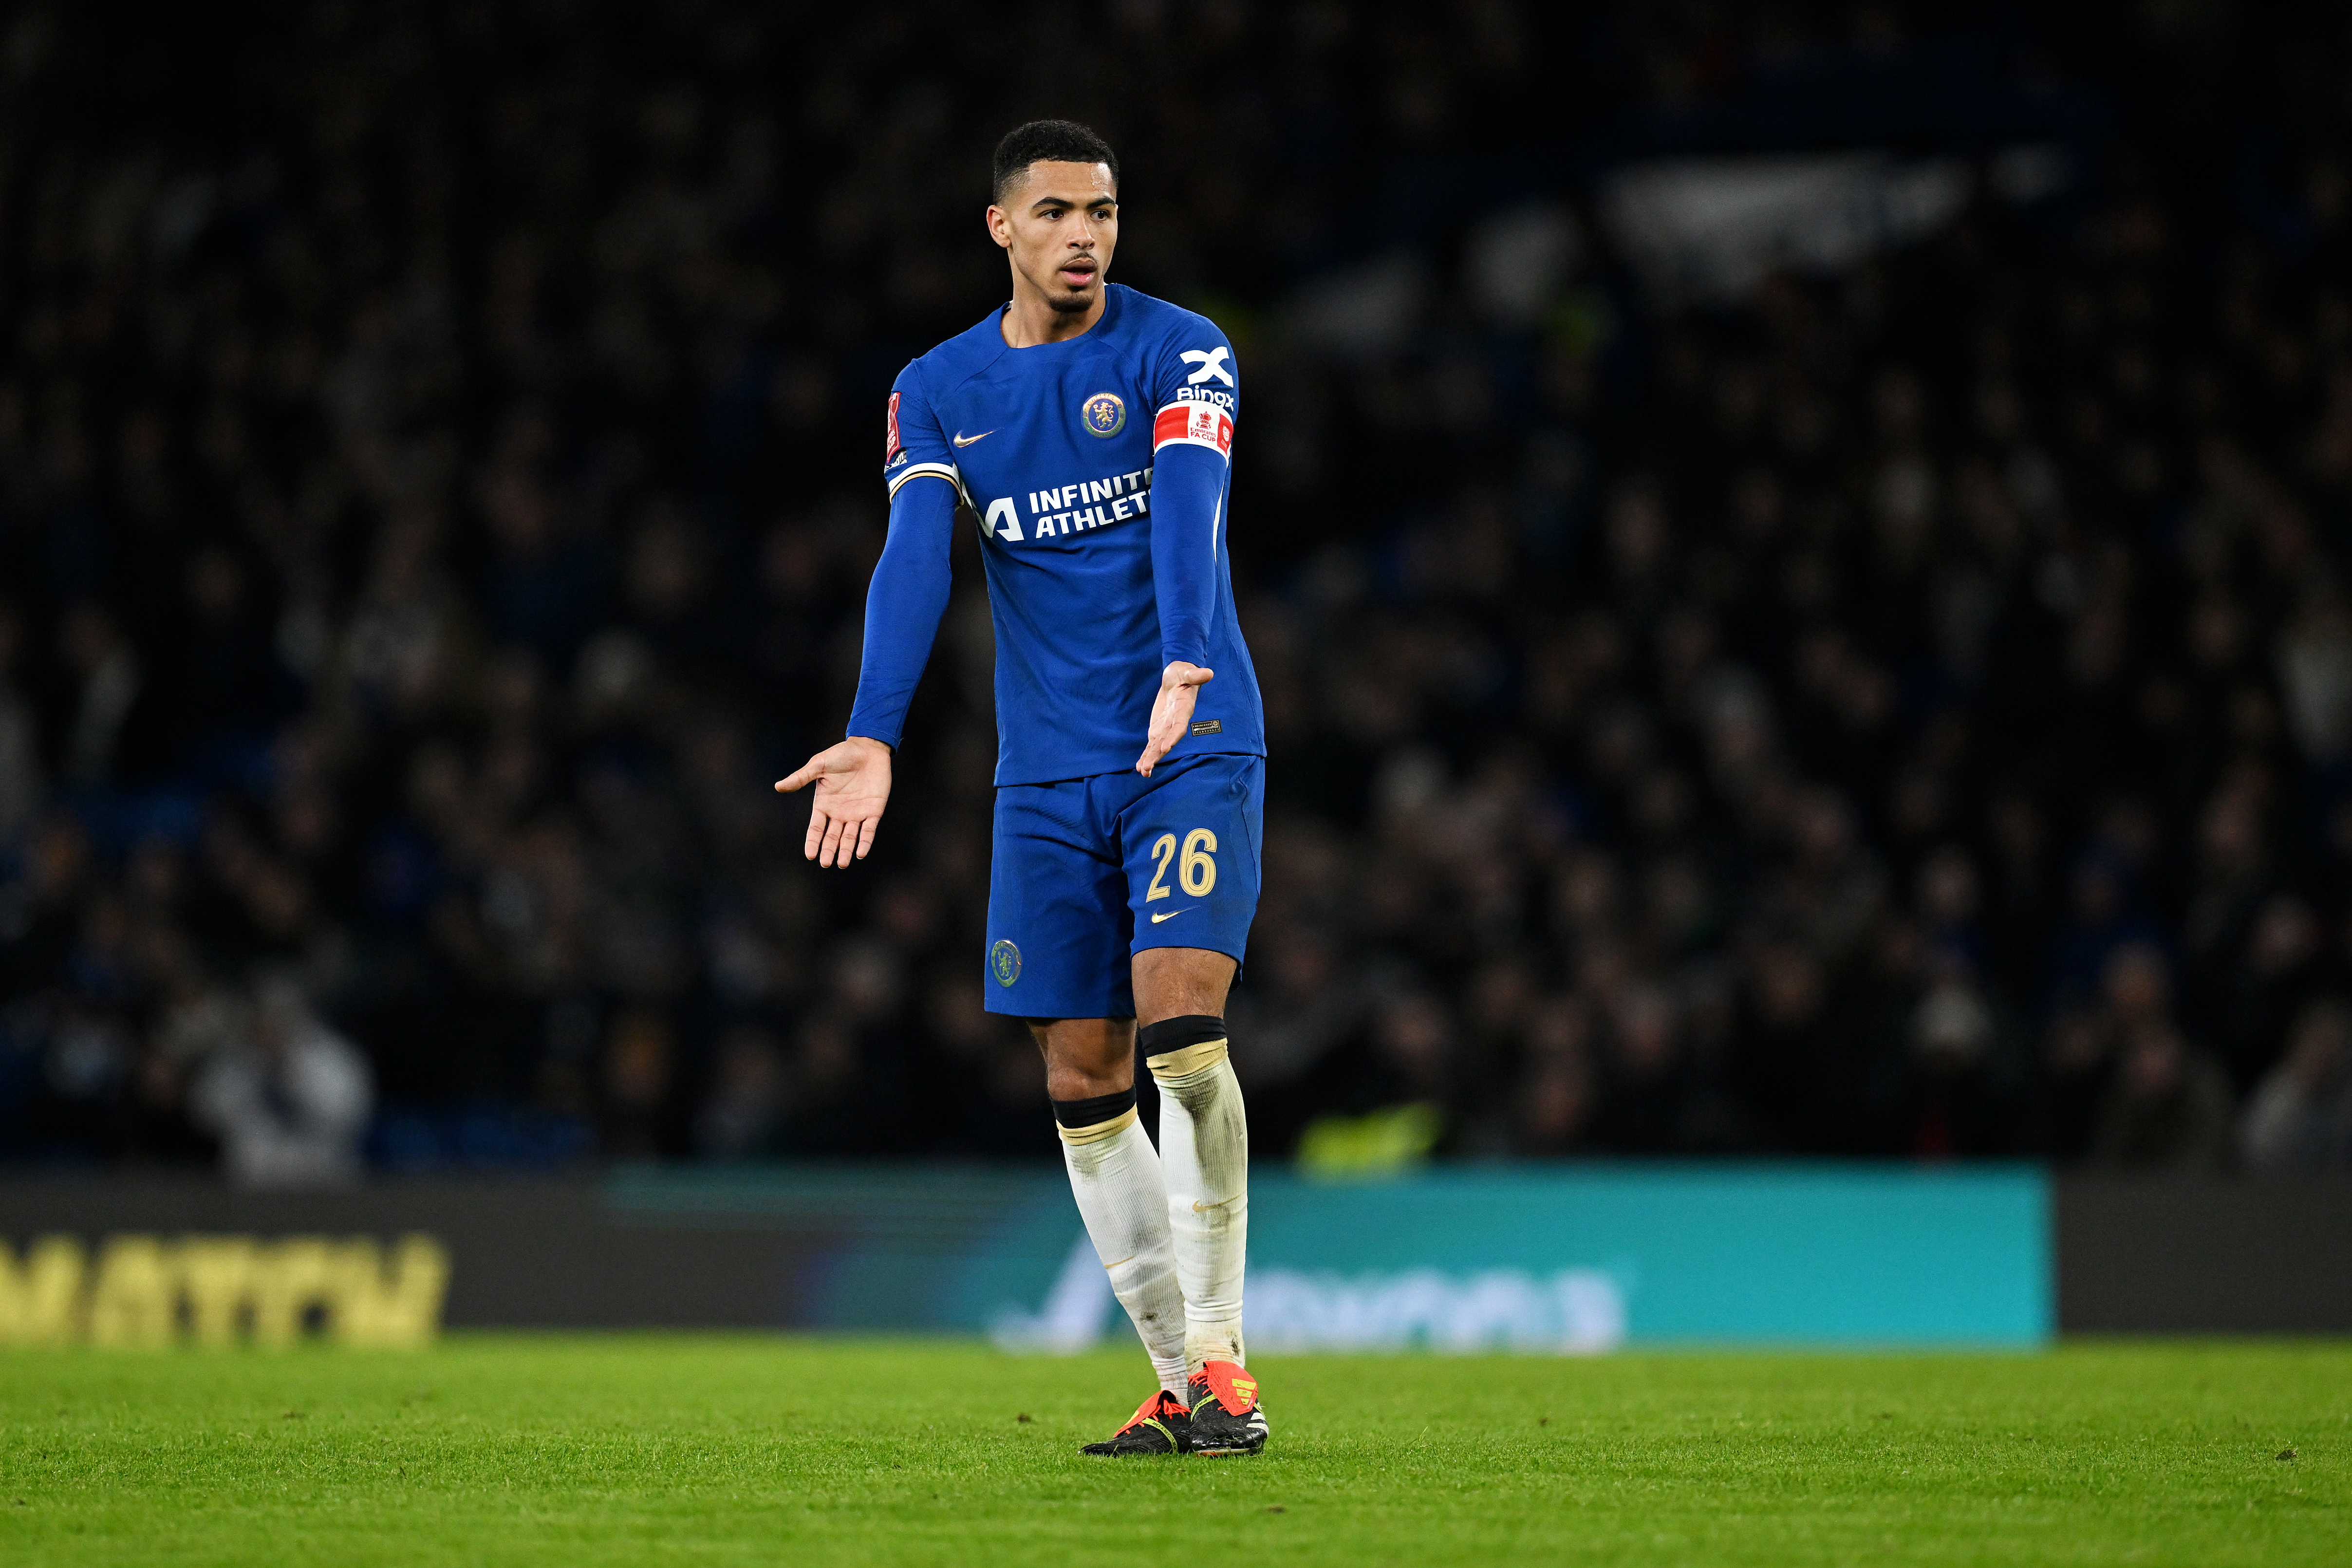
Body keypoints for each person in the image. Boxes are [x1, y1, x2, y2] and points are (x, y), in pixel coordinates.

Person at [777, 121, 1267, 1457]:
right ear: (1002, 227)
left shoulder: (1184, 346)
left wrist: (1182, 653)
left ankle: (1226, 1361)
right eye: (1054, 212)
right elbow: (915, 558)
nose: (1084, 236)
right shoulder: (937, 387)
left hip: (1189, 737)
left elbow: (1190, 500)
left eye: (1102, 212)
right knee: (1079, 1072)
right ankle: (1178, 1380)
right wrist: (874, 730)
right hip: (1046, 772)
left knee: (1182, 1035)